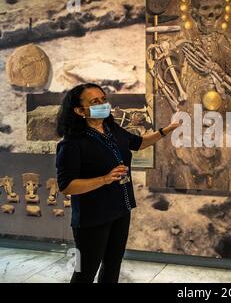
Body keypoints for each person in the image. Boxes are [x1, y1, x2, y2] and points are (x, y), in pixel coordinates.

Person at [55, 83, 180, 283]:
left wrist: (165, 131)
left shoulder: (112, 129)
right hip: (92, 217)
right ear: (79, 111)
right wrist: (104, 179)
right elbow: (66, 186)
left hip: (120, 209)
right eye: (95, 102)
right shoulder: (71, 144)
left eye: (103, 99)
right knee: (84, 272)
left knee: (113, 265)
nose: (103, 104)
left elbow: (138, 143)